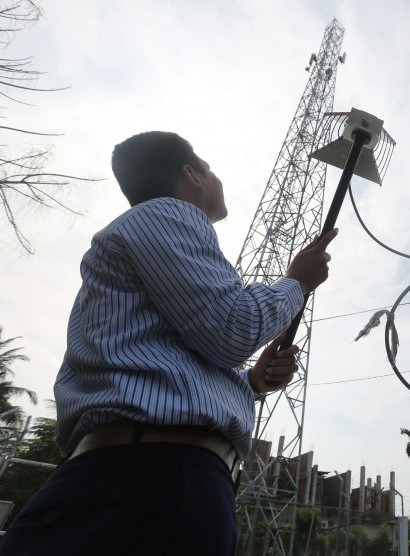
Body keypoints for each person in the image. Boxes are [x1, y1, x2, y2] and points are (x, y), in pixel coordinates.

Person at [0, 131, 337, 556]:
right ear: (191, 175)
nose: (216, 178)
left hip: (133, 475)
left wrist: (249, 383)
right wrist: (297, 282)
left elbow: (172, 356)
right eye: (209, 168)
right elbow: (234, 330)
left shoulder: (145, 237)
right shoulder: (166, 214)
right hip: (151, 480)